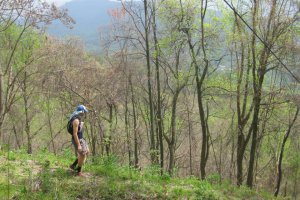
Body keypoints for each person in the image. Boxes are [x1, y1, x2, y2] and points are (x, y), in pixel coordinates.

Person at [68, 104, 89, 176]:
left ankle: (73, 165)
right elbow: (75, 134)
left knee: (86, 151)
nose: (85, 114)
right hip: (78, 139)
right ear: (82, 112)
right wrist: (79, 145)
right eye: (84, 112)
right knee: (82, 154)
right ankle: (78, 171)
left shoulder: (76, 117)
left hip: (81, 138)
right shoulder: (76, 120)